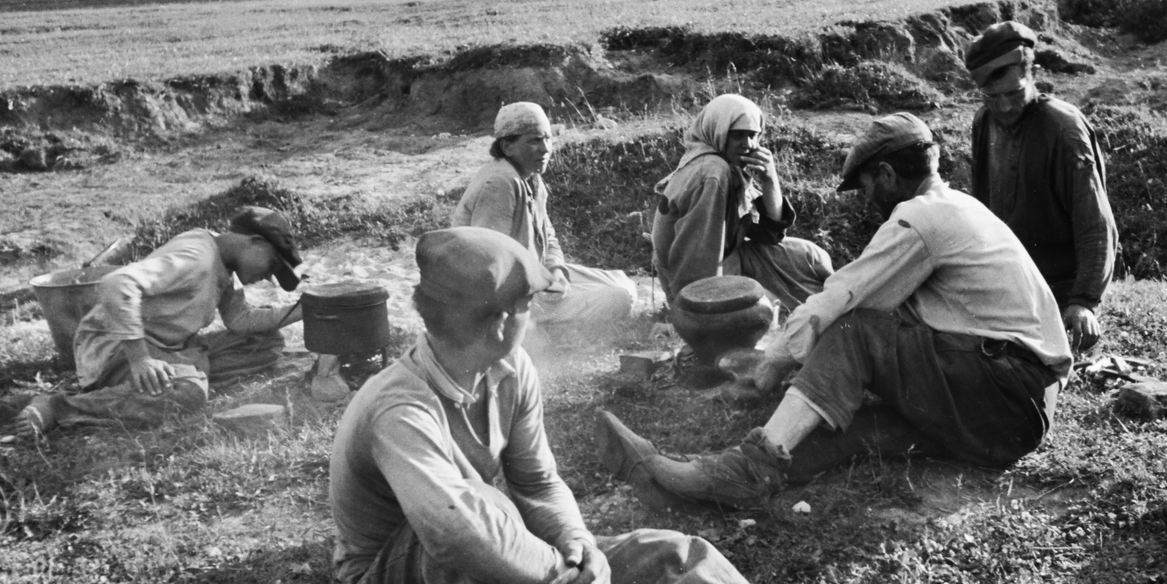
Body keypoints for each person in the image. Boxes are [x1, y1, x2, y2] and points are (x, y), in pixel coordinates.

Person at [329, 226, 954, 584]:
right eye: (526, 308)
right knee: (479, 524)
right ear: (499, 320)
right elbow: (453, 531)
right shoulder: (399, 407)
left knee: (668, 553)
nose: (530, 319)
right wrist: (560, 577)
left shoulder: (506, 369)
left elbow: (540, 482)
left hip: (490, 557)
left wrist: (582, 553)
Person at [597, 113, 1073, 509]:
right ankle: (709, 481)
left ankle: (749, 465)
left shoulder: (921, 218)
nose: (867, 198)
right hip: (1014, 416)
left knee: (852, 329)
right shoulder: (959, 207)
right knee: (845, 430)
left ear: (886, 174)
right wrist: (803, 370)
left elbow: (841, 302)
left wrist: (770, 364)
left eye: (866, 185)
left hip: (1004, 391)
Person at [18, 207, 304, 438]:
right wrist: (140, 358)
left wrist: (304, 309)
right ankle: (59, 407)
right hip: (117, 349)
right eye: (272, 265)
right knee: (187, 396)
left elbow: (241, 321)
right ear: (255, 243)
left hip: (171, 347)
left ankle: (176, 380)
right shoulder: (197, 257)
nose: (268, 277)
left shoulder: (223, 262)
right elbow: (115, 284)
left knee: (266, 341)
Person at [965, 21, 1118, 354]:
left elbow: (1096, 225)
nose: (1004, 106)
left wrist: (1084, 302)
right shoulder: (983, 122)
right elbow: (983, 209)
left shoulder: (1063, 128)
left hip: (1059, 295)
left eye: (1014, 93)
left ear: (1031, 75)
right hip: (1009, 288)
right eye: (992, 97)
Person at [451, 102, 636, 337]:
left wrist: (556, 270)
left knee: (622, 282)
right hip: (510, 295)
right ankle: (547, 334)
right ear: (507, 146)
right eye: (534, 141)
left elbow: (547, 235)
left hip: (535, 276)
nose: (545, 149)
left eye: (548, 139)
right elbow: (488, 264)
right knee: (620, 298)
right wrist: (540, 283)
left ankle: (555, 321)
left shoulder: (532, 178)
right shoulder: (499, 183)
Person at [652, 94, 833, 315]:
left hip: (726, 257)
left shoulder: (727, 167)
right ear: (718, 130)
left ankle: (825, 303)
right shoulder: (711, 172)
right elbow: (697, 257)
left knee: (808, 254)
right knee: (759, 312)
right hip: (694, 275)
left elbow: (769, 234)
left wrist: (769, 180)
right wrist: (698, 310)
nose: (747, 145)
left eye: (753, 136)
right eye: (738, 136)